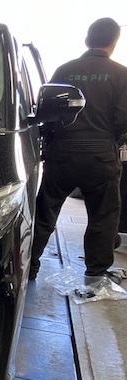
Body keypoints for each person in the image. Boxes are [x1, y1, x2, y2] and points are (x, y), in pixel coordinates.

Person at [29, 17, 127, 285]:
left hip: (62, 154)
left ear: (87, 40)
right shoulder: (121, 74)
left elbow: (45, 111)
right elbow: (123, 119)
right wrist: (111, 140)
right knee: (103, 216)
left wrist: (53, 142)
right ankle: (95, 274)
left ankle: (30, 265)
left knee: (45, 211)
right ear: (114, 42)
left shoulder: (64, 70)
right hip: (101, 157)